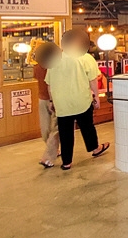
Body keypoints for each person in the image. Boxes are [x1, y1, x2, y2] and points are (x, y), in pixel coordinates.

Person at [45, 29, 109, 170]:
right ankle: (95, 148)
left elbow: (49, 84)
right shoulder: (86, 58)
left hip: (62, 103)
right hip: (82, 100)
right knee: (87, 127)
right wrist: (96, 96)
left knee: (65, 133)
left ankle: (66, 162)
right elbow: (93, 80)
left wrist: (51, 101)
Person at [33, 41, 61, 169]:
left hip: (52, 99)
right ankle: (53, 150)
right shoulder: (41, 67)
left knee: (53, 128)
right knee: (49, 129)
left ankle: (49, 156)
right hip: (47, 98)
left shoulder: (51, 67)